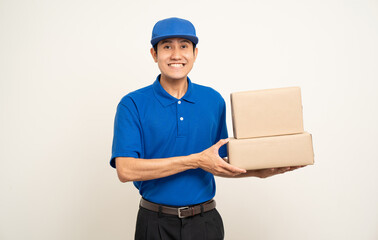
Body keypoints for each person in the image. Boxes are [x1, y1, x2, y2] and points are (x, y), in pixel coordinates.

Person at [110, 17, 300, 240]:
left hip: (205, 224)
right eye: (167, 46)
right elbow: (126, 170)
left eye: (184, 46)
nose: (176, 55)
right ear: (154, 54)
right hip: (155, 224)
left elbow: (215, 164)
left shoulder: (213, 100)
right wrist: (194, 160)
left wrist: (258, 172)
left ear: (195, 54)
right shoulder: (132, 104)